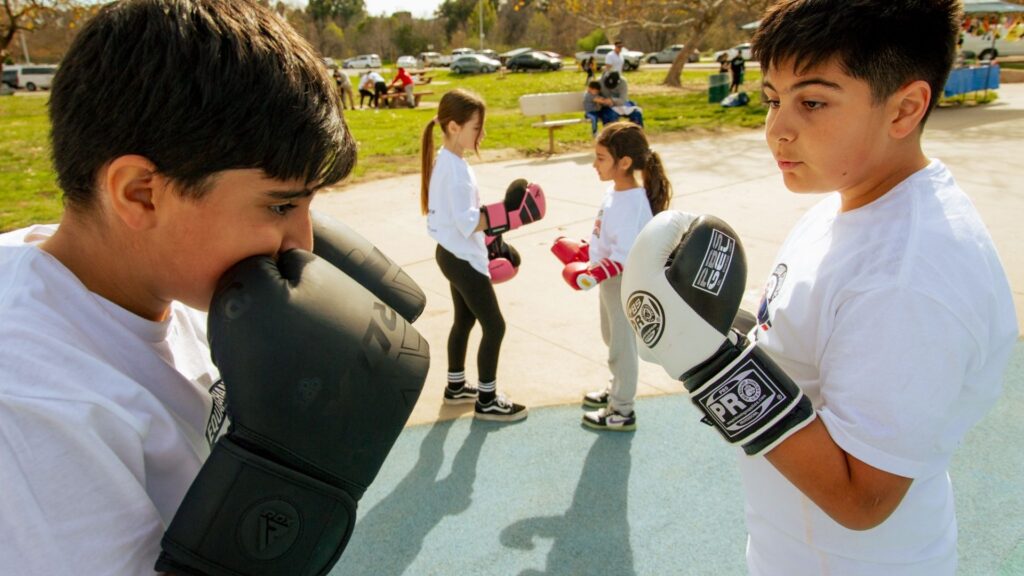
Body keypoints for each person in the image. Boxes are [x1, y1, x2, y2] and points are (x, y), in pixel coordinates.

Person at [0, 1, 431, 574]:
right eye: (280, 205)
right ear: (140, 194)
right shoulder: (33, 407)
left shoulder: (155, 285)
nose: (302, 243)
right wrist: (292, 481)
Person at [621, 1, 1017, 574]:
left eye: (812, 102)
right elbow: (813, 349)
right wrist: (710, 326)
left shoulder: (908, 277)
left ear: (904, 108)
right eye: (772, 100)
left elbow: (863, 498)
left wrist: (711, 368)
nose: (777, 129)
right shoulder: (847, 203)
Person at [420, 88, 547, 422]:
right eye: (476, 127)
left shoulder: (448, 161)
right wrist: (512, 214)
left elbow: (461, 218)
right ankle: (488, 400)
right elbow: (468, 222)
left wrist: (495, 232)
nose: (482, 133)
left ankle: (456, 386)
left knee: (464, 320)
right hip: (462, 258)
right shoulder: (455, 170)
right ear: (453, 127)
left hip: (450, 253)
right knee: (495, 326)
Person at [552, 122, 672, 431]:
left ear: (625, 162)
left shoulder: (633, 201)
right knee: (610, 337)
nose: (594, 164)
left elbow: (624, 254)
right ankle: (617, 386)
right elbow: (608, 237)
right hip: (610, 282)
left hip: (622, 282)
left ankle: (622, 410)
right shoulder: (615, 192)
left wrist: (591, 274)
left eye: (601, 158)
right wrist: (585, 251)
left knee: (622, 346)